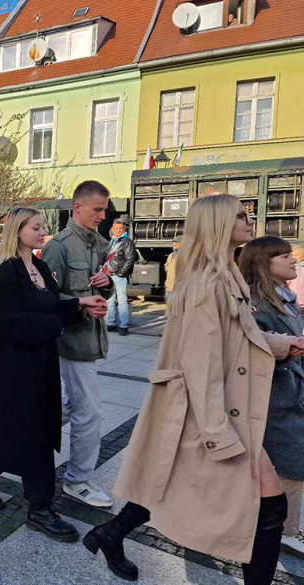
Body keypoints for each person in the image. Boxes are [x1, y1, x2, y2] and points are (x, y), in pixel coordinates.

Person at [85, 194, 304, 584]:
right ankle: (110, 534)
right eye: (240, 216)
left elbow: (240, 336)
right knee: (269, 506)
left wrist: (285, 344)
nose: (249, 221)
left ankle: (110, 534)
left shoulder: (225, 275)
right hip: (208, 412)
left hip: (212, 407)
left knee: (170, 483)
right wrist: (220, 435)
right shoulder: (209, 282)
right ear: (217, 224)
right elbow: (200, 365)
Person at [0, 208, 108, 541]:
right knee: (35, 435)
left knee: (21, 430)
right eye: (36, 227)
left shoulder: (40, 267)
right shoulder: (8, 272)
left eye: (43, 227)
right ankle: (40, 509)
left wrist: (81, 305)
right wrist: (55, 324)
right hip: (12, 369)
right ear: (18, 231)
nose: (43, 232)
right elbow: (3, 322)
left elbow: (52, 305)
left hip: (39, 364)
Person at [40, 181, 115, 508]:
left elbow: (102, 287)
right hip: (70, 340)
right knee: (89, 412)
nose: (102, 216)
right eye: (97, 209)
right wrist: (82, 305)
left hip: (90, 337)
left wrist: (107, 284)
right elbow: (46, 298)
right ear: (78, 207)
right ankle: (77, 480)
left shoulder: (101, 243)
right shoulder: (59, 246)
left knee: (70, 407)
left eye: (104, 210)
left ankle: (21, 435)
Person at [239, 237, 304, 559]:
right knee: (292, 461)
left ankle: (281, 527)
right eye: (284, 256)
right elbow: (247, 349)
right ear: (265, 263)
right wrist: (288, 348)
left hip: (290, 391)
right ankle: (285, 531)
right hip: (274, 394)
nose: (293, 260)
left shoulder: (285, 297)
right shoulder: (255, 302)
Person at [105, 218, 136, 336]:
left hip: (119, 276)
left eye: (120, 228)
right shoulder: (111, 242)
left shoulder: (127, 242)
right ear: (112, 229)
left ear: (123, 229)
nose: (118, 230)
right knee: (110, 300)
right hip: (109, 274)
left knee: (122, 301)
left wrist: (121, 273)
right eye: (116, 228)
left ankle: (123, 326)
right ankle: (111, 323)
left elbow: (130, 259)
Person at [165, 236, 183, 302]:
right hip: (169, 288)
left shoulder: (185, 256)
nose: (175, 244)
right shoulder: (171, 256)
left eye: (177, 242)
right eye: (174, 242)